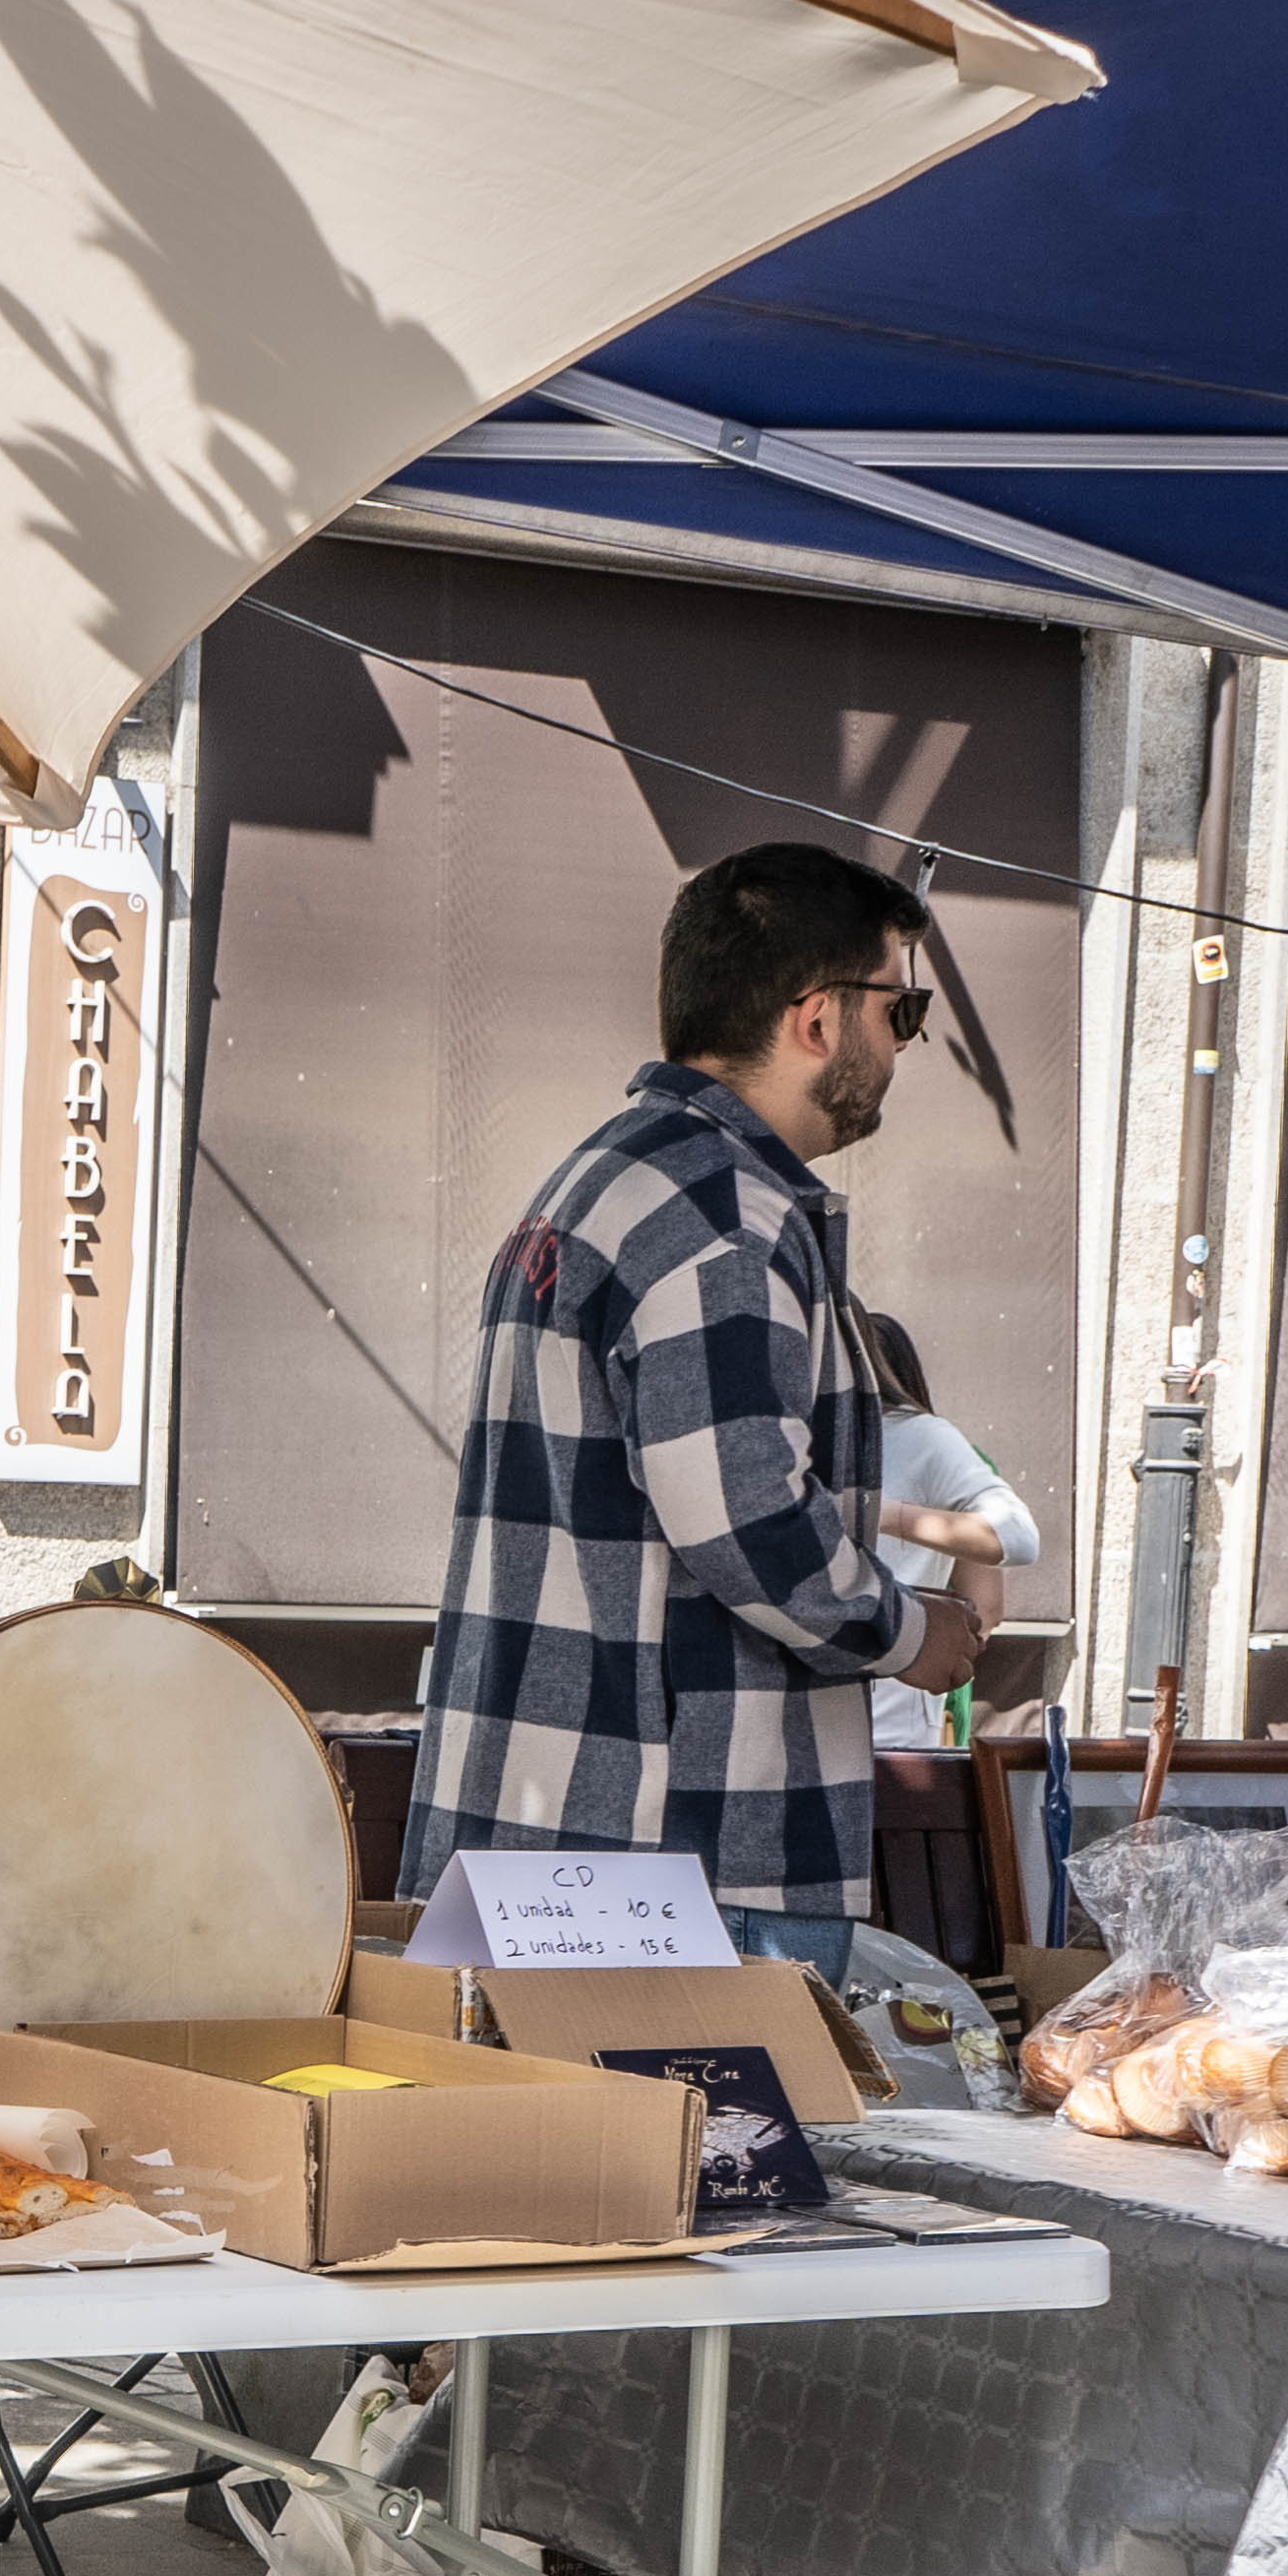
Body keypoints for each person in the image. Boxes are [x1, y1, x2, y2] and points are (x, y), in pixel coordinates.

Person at [405, 841, 983, 1968]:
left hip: (551, 1824)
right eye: (900, 1010)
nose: (904, 1046)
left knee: (536, 2147)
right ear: (816, 1018)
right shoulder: (724, 1210)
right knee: (711, 2149)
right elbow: (750, 1523)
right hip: (680, 1852)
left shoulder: (600, 1176)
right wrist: (913, 1633)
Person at [857, 1307, 1031, 1752]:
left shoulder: (924, 1440)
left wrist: (880, 1513)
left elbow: (1012, 1541)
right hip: (904, 1707)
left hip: (889, 1711)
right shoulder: (944, 1447)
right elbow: (985, 1609)